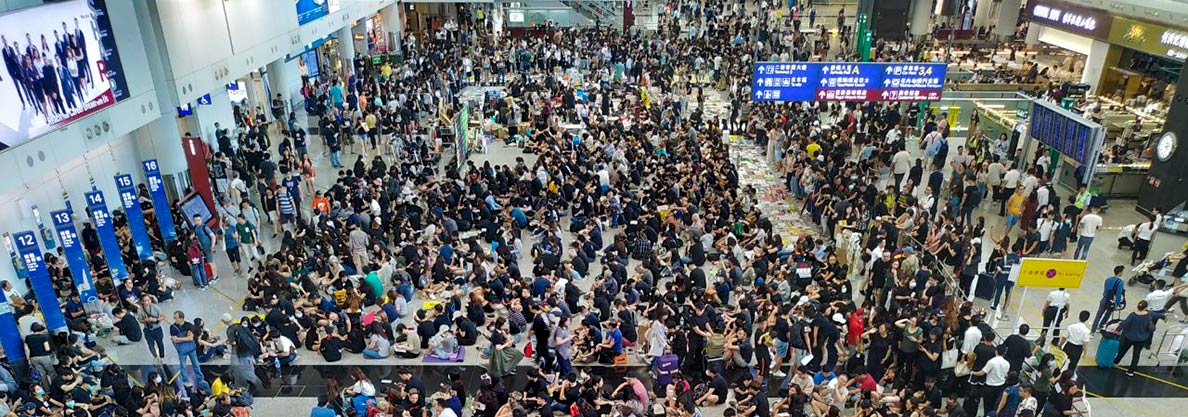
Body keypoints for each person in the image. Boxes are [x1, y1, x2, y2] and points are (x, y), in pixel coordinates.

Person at [1114, 300, 1158, 376]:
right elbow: (1152, 325)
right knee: (1136, 354)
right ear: (1146, 307)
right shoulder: (1148, 316)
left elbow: (1125, 323)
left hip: (1130, 337)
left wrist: (1118, 329)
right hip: (1141, 339)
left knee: (1123, 350)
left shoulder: (1133, 315)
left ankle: (1116, 362)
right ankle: (1131, 371)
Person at [168, 310, 204, 386]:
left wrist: (179, 339)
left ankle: (200, 378)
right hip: (183, 350)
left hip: (190, 349)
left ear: (181, 318)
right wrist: (185, 338)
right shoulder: (172, 327)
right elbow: (174, 340)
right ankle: (185, 380)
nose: (175, 320)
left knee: (195, 364)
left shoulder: (189, 325)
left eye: (176, 318)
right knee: (183, 365)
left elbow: (190, 338)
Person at [1092, 266, 1126, 333]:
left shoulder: (1108, 279)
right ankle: (1101, 326)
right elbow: (1118, 294)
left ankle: (1093, 330)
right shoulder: (1120, 282)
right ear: (1119, 272)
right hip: (1111, 302)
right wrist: (1118, 304)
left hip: (1104, 299)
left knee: (1098, 315)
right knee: (1107, 314)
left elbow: (1105, 289)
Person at [136, 294, 166, 360]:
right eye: (145, 300)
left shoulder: (155, 307)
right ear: (142, 302)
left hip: (157, 328)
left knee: (160, 343)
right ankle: (155, 356)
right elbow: (140, 320)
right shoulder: (140, 310)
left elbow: (163, 316)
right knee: (150, 345)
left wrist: (157, 319)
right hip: (147, 329)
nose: (147, 302)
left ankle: (162, 357)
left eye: (149, 300)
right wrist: (145, 320)